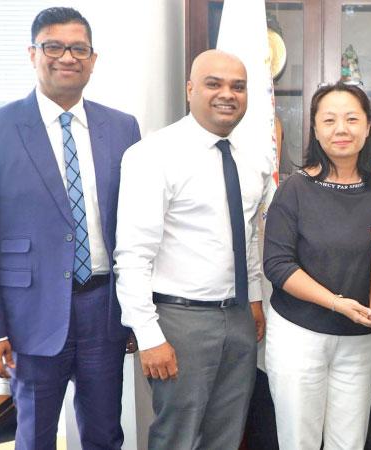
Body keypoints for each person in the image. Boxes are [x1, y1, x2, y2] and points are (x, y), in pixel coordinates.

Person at [0, 7, 140, 449]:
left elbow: (139, 228)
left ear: (93, 59)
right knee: (36, 436)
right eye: (53, 47)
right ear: (32, 54)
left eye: (79, 48)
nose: (67, 57)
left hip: (105, 308)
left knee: (104, 434)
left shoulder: (122, 128)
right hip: (28, 316)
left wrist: (138, 313)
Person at [113, 50, 271, 449]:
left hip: (238, 318)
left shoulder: (250, 159)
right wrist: (148, 336)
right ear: (190, 90)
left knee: (228, 433)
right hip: (179, 321)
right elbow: (132, 255)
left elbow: (249, 236)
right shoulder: (153, 154)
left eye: (238, 86)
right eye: (214, 84)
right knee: (176, 437)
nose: (227, 94)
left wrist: (253, 298)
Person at [263, 82, 371, 450]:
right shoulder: (295, 189)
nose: (342, 129)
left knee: (349, 443)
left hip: (361, 343)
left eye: (352, 119)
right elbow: (277, 265)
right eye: (330, 120)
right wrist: (337, 303)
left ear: (368, 127)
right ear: (316, 129)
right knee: (298, 442)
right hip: (300, 336)